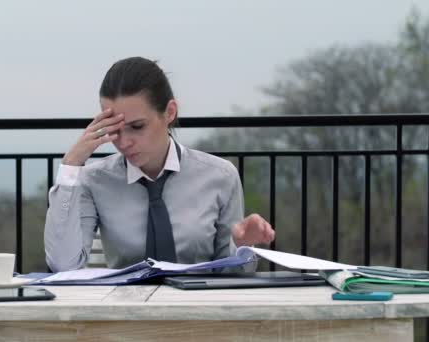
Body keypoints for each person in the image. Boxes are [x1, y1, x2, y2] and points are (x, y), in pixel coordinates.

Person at [44, 57, 275, 272]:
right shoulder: (95, 180)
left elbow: (233, 274)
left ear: (169, 112)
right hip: (124, 308)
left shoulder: (220, 176)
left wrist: (244, 247)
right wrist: (70, 167)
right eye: (114, 129)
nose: (123, 142)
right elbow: (64, 266)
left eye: (137, 127)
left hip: (200, 308)